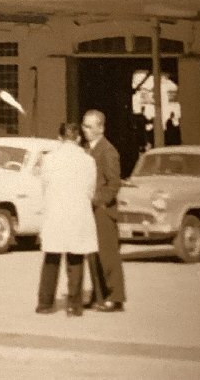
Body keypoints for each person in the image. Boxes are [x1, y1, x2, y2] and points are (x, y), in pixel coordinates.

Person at [36, 122, 98, 317]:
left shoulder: (49, 159)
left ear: (59, 137)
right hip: (78, 213)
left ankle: (45, 304)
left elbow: (44, 185)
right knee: (76, 258)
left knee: (51, 258)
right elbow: (90, 189)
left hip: (56, 212)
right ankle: (74, 306)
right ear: (78, 138)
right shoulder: (88, 161)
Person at [82, 109, 126, 312]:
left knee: (108, 255)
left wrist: (99, 201)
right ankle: (98, 294)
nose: (86, 130)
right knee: (92, 254)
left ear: (101, 127)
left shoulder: (108, 151)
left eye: (90, 126)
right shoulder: (86, 149)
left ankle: (115, 297)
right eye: (84, 125)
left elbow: (113, 183)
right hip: (88, 209)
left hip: (103, 210)